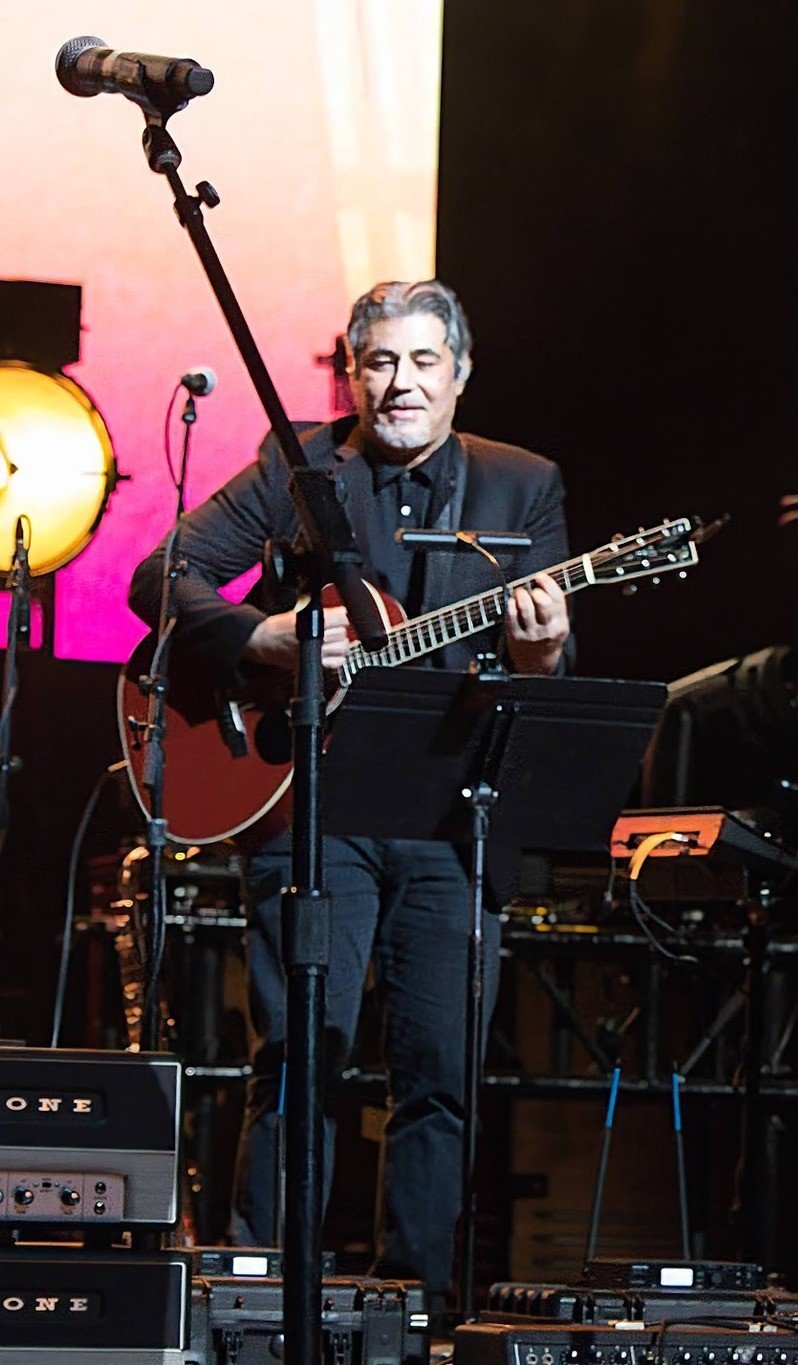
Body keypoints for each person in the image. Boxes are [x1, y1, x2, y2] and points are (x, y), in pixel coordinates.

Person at [128, 279, 571, 1302]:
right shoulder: (301, 468)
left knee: (440, 1071)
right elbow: (159, 575)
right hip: (311, 806)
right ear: (351, 374)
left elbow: (544, 660)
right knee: (299, 1053)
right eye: (379, 362)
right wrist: (259, 636)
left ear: (459, 374)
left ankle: (413, 1303)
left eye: (422, 362)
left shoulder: (523, 486)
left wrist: (541, 649)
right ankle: (265, 1290)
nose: (400, 383)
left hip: (448, 814)